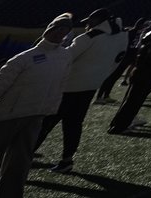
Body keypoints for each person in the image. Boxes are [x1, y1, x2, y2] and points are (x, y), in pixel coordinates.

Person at [0, 14, 73, 198]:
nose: (59, 34)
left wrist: (49, 111)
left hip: (34, 117)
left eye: (64, 32)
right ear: (49, 29)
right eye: (57, 29)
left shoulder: (64, 56)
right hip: (5, 117)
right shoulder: (23, 59)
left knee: (19, 166)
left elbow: (60, 85)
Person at [35, 9, 129, 173]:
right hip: (90, 87)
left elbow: (65, 58)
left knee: (45, 122)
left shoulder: (89, 37)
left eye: (91, 21)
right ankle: (67, 160)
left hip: (68, 87)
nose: (87, 24)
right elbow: (116, 62)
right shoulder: (122, 36)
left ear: (99, 20)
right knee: (74, 124)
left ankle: (21, 156)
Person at [108, 15, 151, 133]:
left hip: (140, 74)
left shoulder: (150, 39)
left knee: (130, 101)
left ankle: (118, 124)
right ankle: (120, 127)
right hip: (145, 76)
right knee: (133, 102)